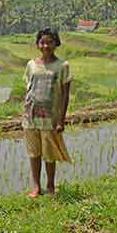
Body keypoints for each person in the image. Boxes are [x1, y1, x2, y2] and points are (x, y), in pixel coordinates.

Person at [22, 28, 72, 198]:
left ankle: (50, 186)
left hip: (50, 118)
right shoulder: (31, 65)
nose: (46, 45)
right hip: (31, 116)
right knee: (33, 153)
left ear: (56, 44)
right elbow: (28, 90)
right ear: (37, 45)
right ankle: (36, 187)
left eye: (49, 42)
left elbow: (65, 94)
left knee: (49, 153)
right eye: (42, 42)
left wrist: (61, 120)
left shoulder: (62, 66)